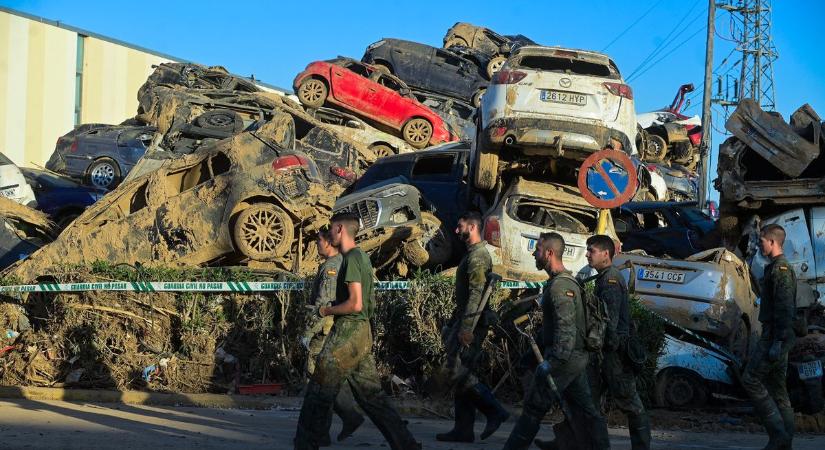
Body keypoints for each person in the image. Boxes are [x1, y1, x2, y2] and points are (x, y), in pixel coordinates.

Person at [294, 212, 420, 450]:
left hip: (349, 331)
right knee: (372, 397)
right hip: (360, 333)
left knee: (318, 392)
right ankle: (407, 445)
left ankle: (304, 445)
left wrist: (325, 312)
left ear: (340, 229)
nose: (329, 233)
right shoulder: (359, 256)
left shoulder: (351, 258)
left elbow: (355, 303)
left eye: (331, 228)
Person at [536, 235, 650, 450]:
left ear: (605, 254)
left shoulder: (611, 280)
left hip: (614, 355)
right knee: (585, 401)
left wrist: (596, 347)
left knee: (630, 404)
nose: (587, 254)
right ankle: (566, 441)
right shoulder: (604, 277)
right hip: (605, 353)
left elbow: (610, 322)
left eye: (591, 251)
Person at [503, 232, 610, 450]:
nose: (535, 252)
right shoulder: (557, 283)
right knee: (587, 411)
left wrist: (550, 364)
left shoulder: (562, 287)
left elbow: (566, 331)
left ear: (550, 253)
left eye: (538, 248)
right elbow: (552, 330)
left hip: (565, 359)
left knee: (534, 407)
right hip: (574, 359)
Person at [436, 211, 509, 442]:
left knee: (459, 372)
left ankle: (494, 411)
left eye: (460, 226)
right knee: (461, 373)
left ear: (473, 227)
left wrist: (467, 327)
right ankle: (463, 429)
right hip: (468, 320)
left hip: (474, 323)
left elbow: (477, 294)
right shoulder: (472, 255)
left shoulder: (478, 257)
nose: (457, 231)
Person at [300, 228, 364, 445]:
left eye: (318, 240)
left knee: (319, 379)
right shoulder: (336, 264)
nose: (316, 244)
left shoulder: (331, 267)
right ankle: (328, 428)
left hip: (323, 330)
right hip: (328, 329)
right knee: (323, 381)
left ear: (328, 243)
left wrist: (308, 332)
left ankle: (345, 417)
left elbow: (323, 304)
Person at [742, 223, 796, 450]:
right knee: (778, 390)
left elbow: (784, 309)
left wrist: (777, 342)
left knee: (750, 379)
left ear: (772, 242)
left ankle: (778, 435)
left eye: (762, 241)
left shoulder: (780, 270)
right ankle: (784, 443)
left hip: (775, 337)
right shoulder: (774, 267)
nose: (759, 244)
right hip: (777, 336)